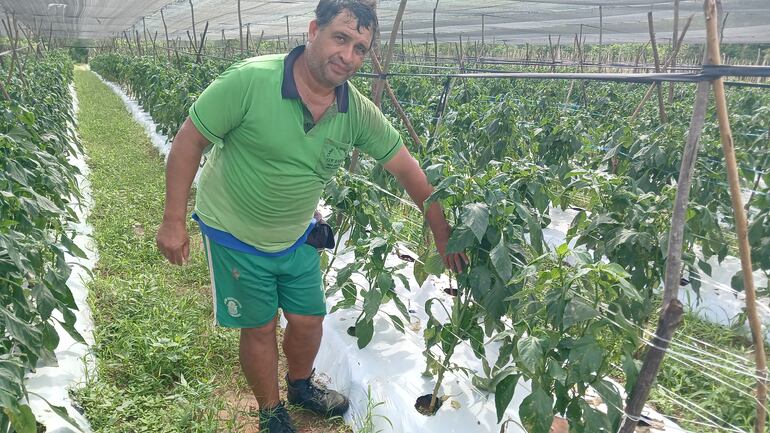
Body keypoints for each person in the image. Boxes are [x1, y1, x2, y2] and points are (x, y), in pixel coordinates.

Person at [156, 0, 467, 431]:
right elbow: (189, 142)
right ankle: (271, 411)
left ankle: (300, 385)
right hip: (234, 232)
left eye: (360, 48)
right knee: (261, 327)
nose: (349, 56)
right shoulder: (251, 81)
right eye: (341, 38)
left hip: (297, 230)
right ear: (313, 31)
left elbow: (408, 171)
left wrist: (442, 233)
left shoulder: (355, 111)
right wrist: (173, 219)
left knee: (308, 320)